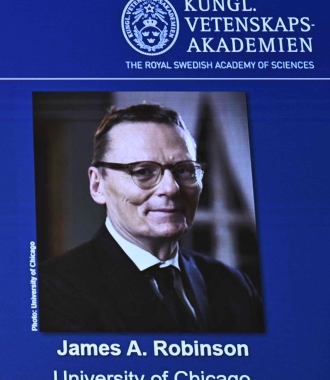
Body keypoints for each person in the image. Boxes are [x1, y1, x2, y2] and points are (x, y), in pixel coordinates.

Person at [39, 103, 263, 333]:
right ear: (97, 185)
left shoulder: (234, 286)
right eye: (143, 171)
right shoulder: (50, 290)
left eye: (184, 170)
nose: (171, 188)